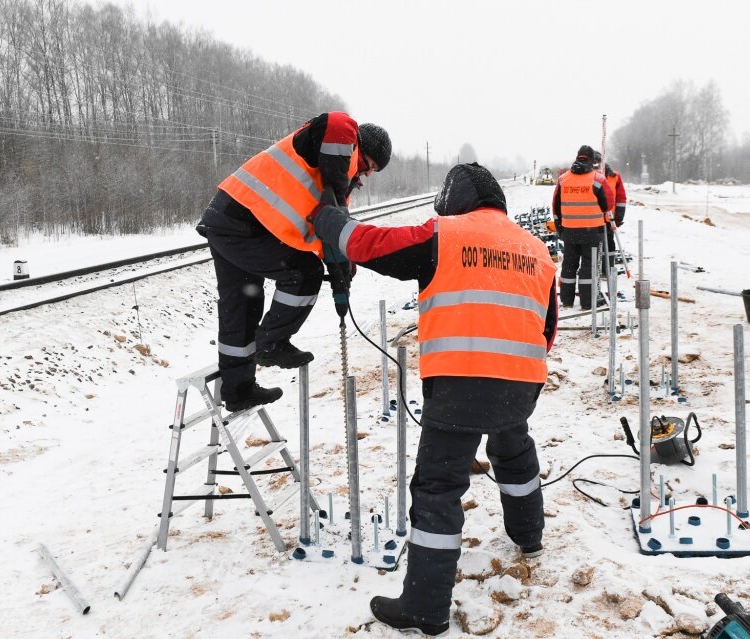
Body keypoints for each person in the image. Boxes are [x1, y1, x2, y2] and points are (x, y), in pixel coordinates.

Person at [311, 163, 558, 636]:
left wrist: (327, 217)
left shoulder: (444, 235)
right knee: (514, 454)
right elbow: (548, 328)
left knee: (438, 489)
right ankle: (530, 537)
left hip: (460, 384)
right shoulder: (536, 250)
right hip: (521, 381)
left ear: (453, 203)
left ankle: (425, 608)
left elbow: (368, 244)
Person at [196, 112, 391, 412]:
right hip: (241, 220)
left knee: (241, 306)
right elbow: (336, 123)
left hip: (229, 220)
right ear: (361, 149)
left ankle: (238, 391)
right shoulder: (339, 136)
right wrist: (339, 181)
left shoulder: (334, 184)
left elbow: (327, 229)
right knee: (304, 273)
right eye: (369, 166)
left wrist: (340, 268)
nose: (365, 176)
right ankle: (272, 343)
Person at [551, 146, 613, 310]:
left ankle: (567, 301)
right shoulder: (598, 179)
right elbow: (608, 204)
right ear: (592, 160)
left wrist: (559, 227)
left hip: (569, 231)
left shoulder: (563, 179)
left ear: (578, 157)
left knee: (569, 266)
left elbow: (556, 206)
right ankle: (587, 302)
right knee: (589, 267)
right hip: (592, 232)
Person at [601, 162, 628, 275]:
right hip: (592, 219)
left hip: (609, 219)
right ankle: (594, 269)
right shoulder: (588, 175)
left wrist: (618, 218)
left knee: (609, 243)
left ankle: (608, 268)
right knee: (592, 245)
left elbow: (621, 198)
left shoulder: (614, 177)